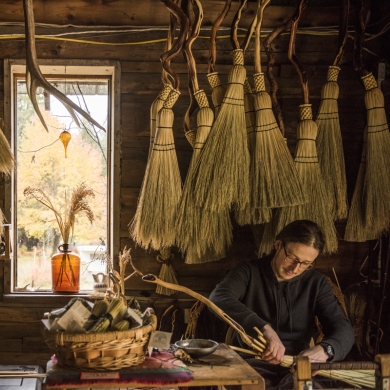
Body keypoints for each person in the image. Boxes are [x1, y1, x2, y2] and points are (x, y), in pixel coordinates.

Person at [209, 219, 355, 390]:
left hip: (297, 365)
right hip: (251, 363)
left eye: (306, 264)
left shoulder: (316, 283)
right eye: (292, 258)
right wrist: (264, 328)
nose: (295, 268)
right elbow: (218, 297)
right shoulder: (248, 271)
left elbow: (342, 327)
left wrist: (325, 350)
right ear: (278, 245)